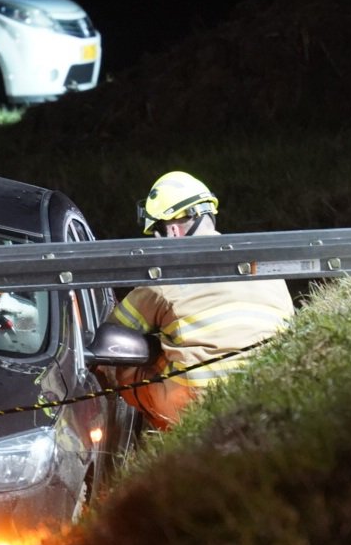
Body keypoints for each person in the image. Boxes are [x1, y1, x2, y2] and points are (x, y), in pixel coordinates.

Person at [99, 172, 294, 431]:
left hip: (196, 403)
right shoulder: (265, 269)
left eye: (156, 231)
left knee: (125, 366)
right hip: (273, 388)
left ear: (173, 229)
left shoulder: (163, 278)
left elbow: (114, 335)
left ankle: (162, 440)